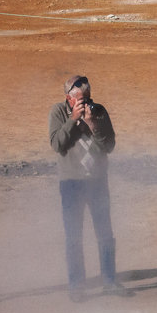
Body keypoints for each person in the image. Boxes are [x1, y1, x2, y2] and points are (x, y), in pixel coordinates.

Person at [48, 75, 132, 301]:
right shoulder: (58, 112)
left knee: (105, 234)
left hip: (97, 182)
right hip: (71, 183)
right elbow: (57, 144)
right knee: (73, 237)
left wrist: (93, 123)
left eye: (88, 98)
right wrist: (72, 120)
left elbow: (109, 145)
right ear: (69, 98)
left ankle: (110, 282)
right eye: (80, 99)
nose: (86, 103)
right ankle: (77, 287)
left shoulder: (99, 111)